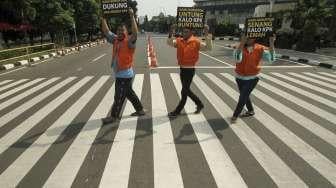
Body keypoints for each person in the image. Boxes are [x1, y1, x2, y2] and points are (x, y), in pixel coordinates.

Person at [101, 8, 145, 124]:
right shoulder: (115, 40)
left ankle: (114, 116)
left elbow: (135, 33)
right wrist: (103, 18)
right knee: (129, 93)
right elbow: (106, 31)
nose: (120, 32)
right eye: (119, 30)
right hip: (121, 73)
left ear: (126, 32)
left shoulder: (129, 42)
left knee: (118, 97)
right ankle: (140, 110)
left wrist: (131, 16)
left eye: (123, 30)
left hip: (124, 75)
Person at [167, 25, 213, 117]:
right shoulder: (180, 41)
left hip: (190, 70)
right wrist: (171, 31)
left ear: (191, 33)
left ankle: (177, 111)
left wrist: (207, 33)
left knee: (184, 91)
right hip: (182, 69)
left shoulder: (196, 42)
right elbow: (170, 43)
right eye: (183, 31)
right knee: (186, 90)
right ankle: (199, 104)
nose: (184, 33)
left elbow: (209, 48)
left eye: (186, 32)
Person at [231, 35, 276, 124]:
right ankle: (251, 110)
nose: (247, 39)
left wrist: (271, 42)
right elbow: (237, 59)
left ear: (254, 38)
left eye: (249, 37)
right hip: (239, 77)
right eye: (246, 37)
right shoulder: (239, 46)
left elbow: (271, 58)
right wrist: (242, 43)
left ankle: (235, 115)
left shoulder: (260, 48)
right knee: (245, 95)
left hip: (253, 77)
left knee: (243, 96)